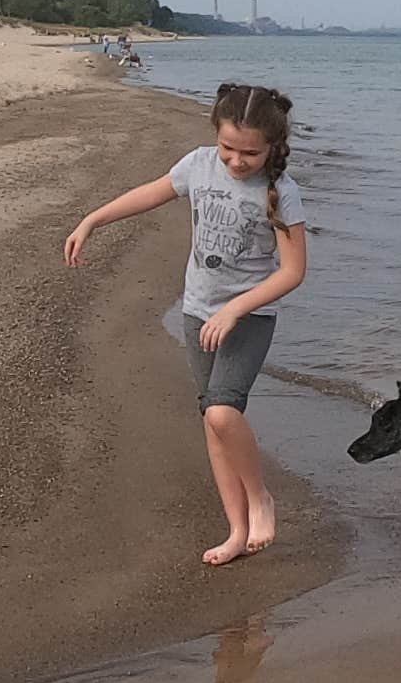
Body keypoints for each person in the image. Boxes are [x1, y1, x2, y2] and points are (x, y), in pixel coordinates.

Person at [63, 82, 309, 565]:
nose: (237, 162)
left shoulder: (281, 192)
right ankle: (237, 532)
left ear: (273, 148)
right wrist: (92, 220)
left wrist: (235, 309)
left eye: (250, 154)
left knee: (222, 411)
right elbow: (150, 194)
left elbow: (293, 272)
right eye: (228, 149)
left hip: (248, 317)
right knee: (213, 425)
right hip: (198, 311)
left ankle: (261, 499)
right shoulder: (198, 164)